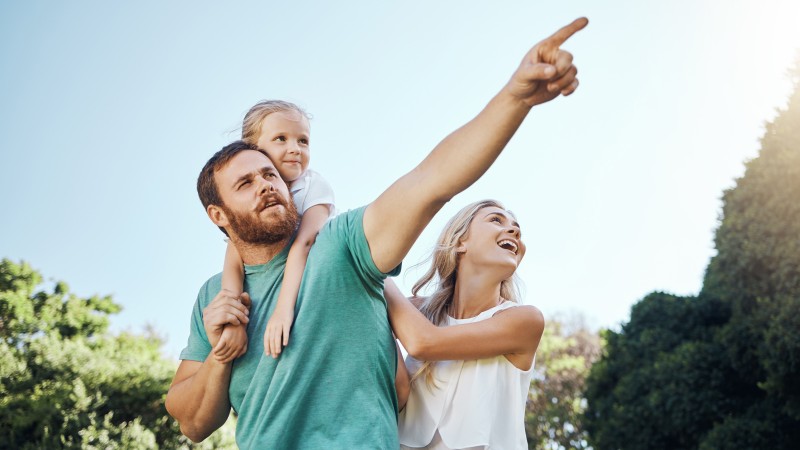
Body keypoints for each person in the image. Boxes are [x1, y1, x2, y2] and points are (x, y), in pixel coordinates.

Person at [165, 17, 587, 449]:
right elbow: (192, 424)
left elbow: (431, 181)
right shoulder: (214, 297)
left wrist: (515, 98)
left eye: (270, 174)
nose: (266, 185)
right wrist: (220, 354)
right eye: (245, 183)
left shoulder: (343, 243)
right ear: (219, 215)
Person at [385, 200, 543, 449]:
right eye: (496, 220)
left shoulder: (524, 321)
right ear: (460, 242)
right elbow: (395, 391)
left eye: (516, 227)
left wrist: (377, 274)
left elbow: (423, 342)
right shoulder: (415, 311)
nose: (515, 231)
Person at [212, 100, 336, 363]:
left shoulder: (313, 186)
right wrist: (234, 323)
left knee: (400, 382)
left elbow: (305, 243)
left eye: (303, 141)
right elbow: (234, 258)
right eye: (281, 139)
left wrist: (282, 310)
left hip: (338, 274)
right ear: (253, 148)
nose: (295, 149)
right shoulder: (250, 202)